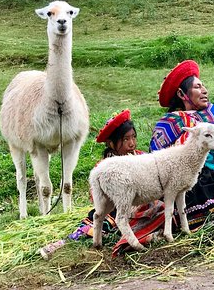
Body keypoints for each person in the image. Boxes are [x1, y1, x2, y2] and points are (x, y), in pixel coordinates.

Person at [111, 60, 214, 256]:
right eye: (197, 86)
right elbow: (156, 163)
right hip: (195, 182)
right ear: (181, 94)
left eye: (203, 86)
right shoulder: (169, 124)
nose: (204, 90)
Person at [40, 109, 144, 259]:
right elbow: (95, 197)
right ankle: (61, 245)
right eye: (126, 139)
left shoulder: (141, 157)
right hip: (113, 210)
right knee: (98, 225)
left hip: (142, 205)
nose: (132, 143)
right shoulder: (103, 167)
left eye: (133, 137)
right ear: (111, 143)